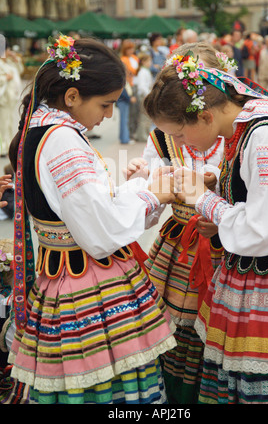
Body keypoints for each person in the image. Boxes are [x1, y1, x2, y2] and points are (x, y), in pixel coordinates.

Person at [7, 35, 177, 404]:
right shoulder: (63, 140)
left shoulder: (38, 129)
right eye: (106, 104)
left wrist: (134, 188)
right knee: (108, 383)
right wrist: (155, 194)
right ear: (71, 97)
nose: (109, 115)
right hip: (85, 282)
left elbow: (84, 206)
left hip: (62, 277)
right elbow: (100, 231)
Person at [143, 44, 268, 404]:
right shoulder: (251, 122)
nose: (179, 143)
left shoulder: (264, 136)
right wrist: (217, 183)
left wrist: (205, 200)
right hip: (252, 274)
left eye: (180, 135)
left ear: (204, 117)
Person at [125, 42, 230, 404]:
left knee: (218, 329)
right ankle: (177, 399)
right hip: (178, 246)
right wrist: (143, 176)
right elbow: (151, 189)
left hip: (227, 245)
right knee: (176, 328)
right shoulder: (163, 135)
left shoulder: (233, 132)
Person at [120, 39, 140, 141]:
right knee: (128, 114)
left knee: (135, 112)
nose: (131, 50)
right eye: (129, 49)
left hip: (135, 85)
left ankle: (132, 133)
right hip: (128, 86)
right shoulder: (123, 59)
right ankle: (127, 136)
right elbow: (129, 73)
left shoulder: (135, 58)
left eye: (132, 48)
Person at [135, 53, 154, 142]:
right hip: (144, 96)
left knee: (146, 116)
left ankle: (144, 134)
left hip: (146, 94)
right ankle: (142, 135)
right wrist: (148, 94)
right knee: (144, 116)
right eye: (148, 61)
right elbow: (142, 86)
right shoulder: (142, 72)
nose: (150, 62)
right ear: (143, 62)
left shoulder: (145, 71)